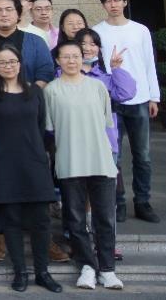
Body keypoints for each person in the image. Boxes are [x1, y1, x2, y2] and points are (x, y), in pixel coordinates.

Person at [0, 45, 62, 293]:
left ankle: (42, 272)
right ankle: (20, 272)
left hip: (34, 161)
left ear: (20, 63)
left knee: (41, 219)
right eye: (2, 62)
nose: (8, 66)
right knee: (12, 219)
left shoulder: (34, 91)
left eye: (12, 61)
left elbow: (41, 126)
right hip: (4, 163)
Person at [45, 40, 123, 290]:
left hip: (100, 160)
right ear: (58, 61)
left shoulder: (97, 87)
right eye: (66, 56)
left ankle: (108, 269)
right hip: (70, 161)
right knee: (76, 219)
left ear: (83, 58)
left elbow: (106, 122)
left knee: (105, 219)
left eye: (76, 56)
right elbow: (50, 127)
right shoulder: (51, 91)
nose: (71, 61)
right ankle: (88, 266)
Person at [91, 0, 161, 224]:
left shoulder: (140, 30)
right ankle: (117, 203)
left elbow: (149, 63)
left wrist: (154, 96)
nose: (113, 4)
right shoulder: (97, 32)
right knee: (114, 157)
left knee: (143, 156)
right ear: (103, 4)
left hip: (139, 99)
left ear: (124, 2)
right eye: (108, 0)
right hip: (111, 101)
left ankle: (143, 202)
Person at [74, 28, 136, 228]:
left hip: (106, 143)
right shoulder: (63, 75)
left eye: (93, 44)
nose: (87, 48)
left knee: (105, 194)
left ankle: (107, 238)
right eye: (83, 44)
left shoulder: (105, 77)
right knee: (79, 192)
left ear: (99, 49)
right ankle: (82, 233)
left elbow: (126, 93)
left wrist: (116, 68)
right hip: (77, 142)